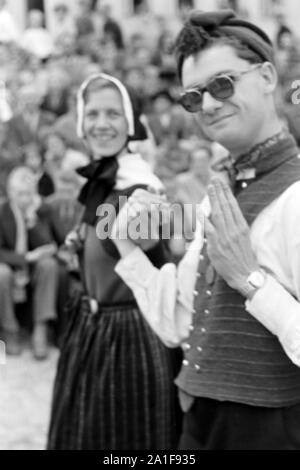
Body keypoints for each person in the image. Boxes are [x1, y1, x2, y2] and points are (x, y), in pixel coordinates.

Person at [112, 10, 300, 450]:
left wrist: (251, 280)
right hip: (199, 422)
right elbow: (180, 325)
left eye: (222, 83)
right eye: (194, 97)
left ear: (268, 76)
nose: (210, 104)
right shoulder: (220, 191)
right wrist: (126, 246)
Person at [47, 73, 181, 450]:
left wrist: (145, 222)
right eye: (92, 114)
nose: (101, 124)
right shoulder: (105, 182)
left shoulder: (140, 187)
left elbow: (149, 235)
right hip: (90, 330)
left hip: (128, 340)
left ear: (131, 122)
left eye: (113, 114)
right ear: (79, 120)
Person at [0, 167, 59, 359]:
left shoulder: (41, 211)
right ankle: (10, 329)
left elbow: (48, 246)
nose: (25, 199)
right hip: (11, 269)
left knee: (49, 265)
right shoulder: (2, 212)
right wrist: (26, 258)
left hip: (33, 272)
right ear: (10, 192)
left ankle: (40, 330)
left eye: (29, 194)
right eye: (20, 194)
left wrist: (32, 222)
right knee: (1, 273)